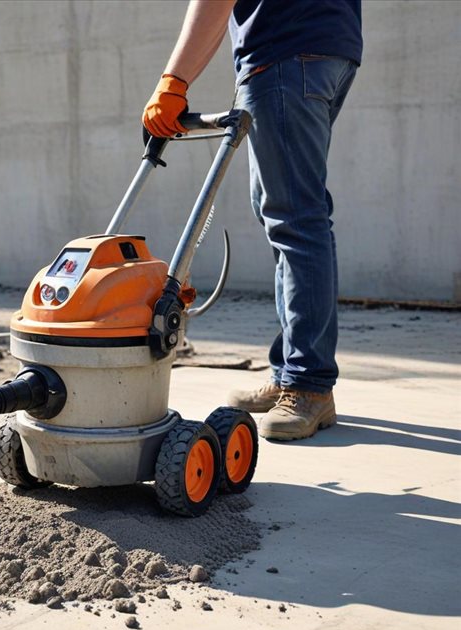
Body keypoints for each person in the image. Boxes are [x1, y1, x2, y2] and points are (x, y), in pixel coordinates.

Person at [142, 0, 362, 441]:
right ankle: (292, 372)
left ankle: (308, 385)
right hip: (328, 48)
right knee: (288, 214)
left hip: (285, 54)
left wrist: (174, 81)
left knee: (296, 221)